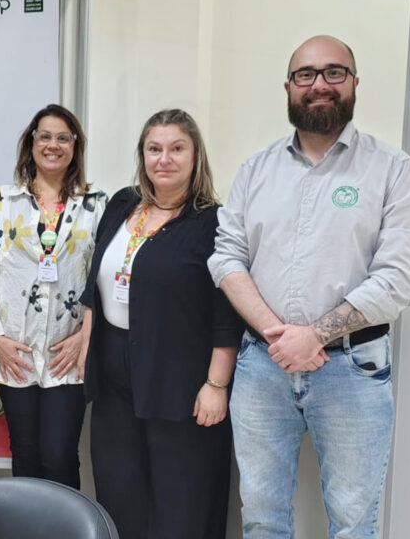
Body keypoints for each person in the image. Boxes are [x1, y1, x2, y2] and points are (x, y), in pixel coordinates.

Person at [208, 35, 410, 539]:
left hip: (353, 371)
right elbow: (226, 257)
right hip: (261, 368)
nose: (320, 85)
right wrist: (277, 333)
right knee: (262, 518)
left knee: (354, 523)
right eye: (306, 75)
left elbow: (397, 277)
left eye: (335, 73)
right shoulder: (256, 169)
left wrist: (314, 335)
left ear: (354, 83)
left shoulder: (392, 170)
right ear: (289, 87)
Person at [81, 109, 241, 539]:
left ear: (195, 156)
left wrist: (217, 385)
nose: (164, 159)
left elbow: (227, 311)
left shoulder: (213, 222)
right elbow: (95, 284)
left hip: (182, 385)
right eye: (155, 149)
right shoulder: (122, 204)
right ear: (142, 155)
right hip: (115, 383)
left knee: (180, 505)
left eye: (176, 148)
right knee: (119, 495)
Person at [0, 104, 105, 489]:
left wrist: (86, 338)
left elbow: (104, 280)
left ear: (75, 146)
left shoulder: (96, 206)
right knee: (25, 451)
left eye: (63, 137)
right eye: (45, 136)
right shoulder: (2, 201)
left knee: (59, 454)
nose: (53, 145)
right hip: (15, 352)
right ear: (31, 143)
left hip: (67, 353)